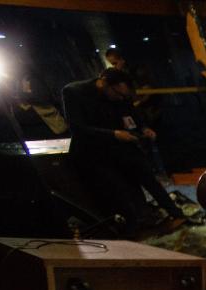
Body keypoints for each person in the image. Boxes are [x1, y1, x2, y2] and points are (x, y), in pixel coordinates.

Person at [62, 67, 185, 234]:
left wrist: (143, 128)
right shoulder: (74, 92)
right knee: (122, 191)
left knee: (148, 177)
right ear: (104, 83)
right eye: (118, 94)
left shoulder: (120, 96)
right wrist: (114, 134)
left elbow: (130, 112)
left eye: (124, 96)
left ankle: (176, 214)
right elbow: (78, 128)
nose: (120, 98)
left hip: (123, 145)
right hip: (96, 152)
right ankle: (136, 226)